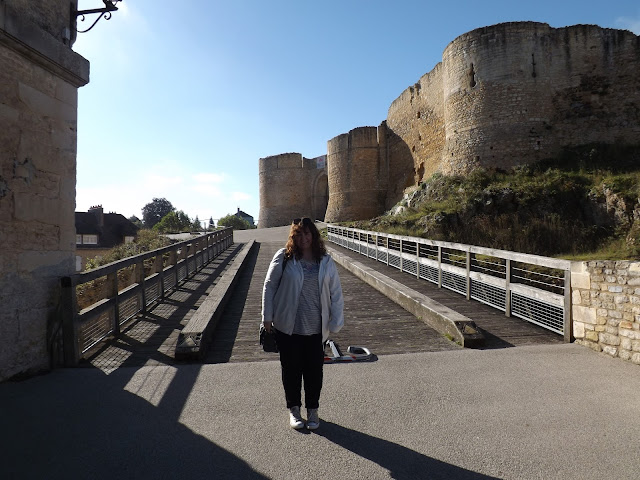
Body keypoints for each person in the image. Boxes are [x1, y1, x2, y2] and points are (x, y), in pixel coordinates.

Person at [261, 217, 344, 430]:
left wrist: (336, 321)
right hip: (288, 326)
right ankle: (294, 410)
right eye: (299, 234)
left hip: (317, 327)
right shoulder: (285, 257)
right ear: (293, 236)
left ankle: (313, 410)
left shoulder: (325, 260)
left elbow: (336, 292)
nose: (303, 238)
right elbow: (269, 286)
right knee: (291, 370)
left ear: (314, 235)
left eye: (307, 233)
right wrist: (267, 317)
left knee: (314, 371)